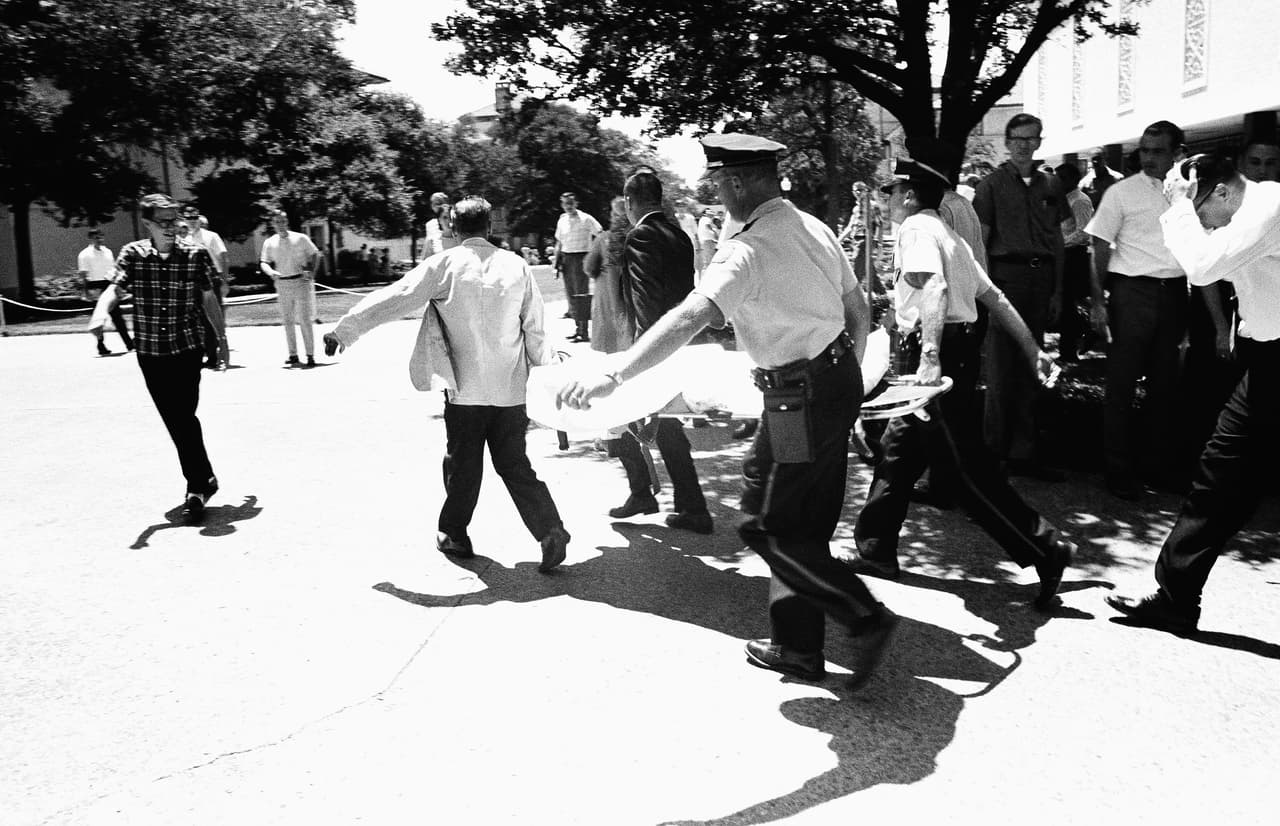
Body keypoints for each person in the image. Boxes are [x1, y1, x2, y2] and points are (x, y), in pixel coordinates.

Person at [557, 133, 896, 689]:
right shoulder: (813, 227)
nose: (716, 196)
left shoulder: (746, 247)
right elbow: (856, 309)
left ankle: (864, 616)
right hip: (829, 383)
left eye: (718, 184)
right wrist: (849, 382)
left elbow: (692, 315)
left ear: (738, 181)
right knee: (800, 519)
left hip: (798, 396)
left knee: (766, 522)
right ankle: (797, 646)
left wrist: (614, 372)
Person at [841, 158, 1074, 610]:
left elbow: (935, 289)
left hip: (935, 352)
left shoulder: (916, 230)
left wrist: (928, 356)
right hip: (952, 348)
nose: (887, 199)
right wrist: (1034, 351)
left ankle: (1046, 547)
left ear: (909, 195)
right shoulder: (949, 235)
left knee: (964, 469)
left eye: (891, 191)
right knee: (898, 451)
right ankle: (876, 548)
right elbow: (997, 298)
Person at [324, 196, 570, 573]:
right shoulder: (516, 266)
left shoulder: (443, 265)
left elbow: (396, 298)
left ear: (453, 229)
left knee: (464, 465)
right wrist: (552, 380)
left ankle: (454, 533)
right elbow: (535, 331)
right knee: (515, 464)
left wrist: (345, 330)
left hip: (464, 389)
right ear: (490, 228)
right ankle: (549, 528)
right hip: (510, 390)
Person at [1107, 152, 1280, 634]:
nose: (1199, 221)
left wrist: (1179, 207)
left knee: (1225, 474)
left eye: (1202, 208)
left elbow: (1202, 269)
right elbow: (1207, 262)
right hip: (1268, 361)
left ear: (1223, 191)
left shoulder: (1268, 209)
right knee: (1223, 476)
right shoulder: (1244, 210)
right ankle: (1175, 597)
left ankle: (1175, 595)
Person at [99, 193, 228, 523]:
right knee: (177, 419)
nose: (172, 227)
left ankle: (200, 483)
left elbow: (209, 298)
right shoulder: (133, 254)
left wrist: (222, 339)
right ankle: (201, 482)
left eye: (175, 220)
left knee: (184, 416)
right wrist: (99, 314)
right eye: (164, 222)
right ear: (148, 223)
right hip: (151, 352)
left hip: (187, 348)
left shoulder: (195, 254)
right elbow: (114, 288)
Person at [1084, 121, 1188, 499]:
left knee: (1165, 387)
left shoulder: (1191, 193)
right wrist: (1098, 302)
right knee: (1122, 386)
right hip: (1131, 293)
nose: (1148, 157)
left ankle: (1157, 468)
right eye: (1144, 149)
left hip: (1175, 294)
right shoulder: (1121, 193)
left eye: (1158, 150)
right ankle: (1117, 470)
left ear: (1177, 152)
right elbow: (1097, 246)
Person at [605, 172, 713, 534]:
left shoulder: (641, 235)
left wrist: (640, 353)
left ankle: (648, 494)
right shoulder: (679, 234)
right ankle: (685, 504)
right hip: (679, 341)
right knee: (664, 427)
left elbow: (644, 299)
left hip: (653, 344)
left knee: (617, 415)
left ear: (630, 201)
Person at [973, 113, 1068, 480]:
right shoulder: (990, 186)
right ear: (1007, 141)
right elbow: (981, 242)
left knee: (1034, 365)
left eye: (1032, 138)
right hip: (1005, 278)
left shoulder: (1051, 184)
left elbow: (1057, 239)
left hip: (1040, 278)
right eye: (1018, 138)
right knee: (1000, 369)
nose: (1024, 145)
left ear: (1040, 142)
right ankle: (993, 457)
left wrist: (1059, 289)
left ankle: (1024, 454)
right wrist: (986, 292)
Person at [260, 209, 320, 368]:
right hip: (282, 284)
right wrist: (270, 271)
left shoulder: (300, 238)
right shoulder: (270, 242)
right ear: (273, 224)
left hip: (300, 282)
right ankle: (293, 355)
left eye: (283, 221)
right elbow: (264, 262)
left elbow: (315, 253)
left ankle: (310, 355)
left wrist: (312, 272)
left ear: (287, 222)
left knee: (305, 320)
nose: (280, 225)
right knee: (287, 321)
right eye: (277, 222)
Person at [181, 207, 230, 369]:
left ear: (198, 219)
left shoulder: (211, 236)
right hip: (191, 282)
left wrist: (224, 281)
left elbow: (223, 257)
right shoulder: (183, 239)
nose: (192, 221)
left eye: (194, 217)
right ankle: (200, 353)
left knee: (211, 319)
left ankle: (213, 356)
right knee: (195, 320)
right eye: (189, 218)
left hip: (210, 280)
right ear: (185, 219)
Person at [1055, 162, 1095, 362]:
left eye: (1062, 178)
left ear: (1073, 179)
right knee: (1065, 303)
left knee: (1070, 304)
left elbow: (1083, 232)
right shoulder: (1062, 199)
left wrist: (1060, 245)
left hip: (1073, 256)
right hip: (1062, 255)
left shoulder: (1080, 200)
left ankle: (1071, 348)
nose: (1057, 182)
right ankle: (1069, 346)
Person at [584, 196, 633, 354]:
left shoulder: (603, 239)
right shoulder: (638, 238)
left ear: (614, 216)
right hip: (631, 296)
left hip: (608, 297)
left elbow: (590, 268)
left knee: (610, 345)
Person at [554, 192, 602, 342]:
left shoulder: (586, 219)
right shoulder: (562, 221)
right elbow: (559, 243)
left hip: (581, 257)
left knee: (581, 294)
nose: (568, 206)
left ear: (576, 203)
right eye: (565, 203)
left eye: (570, 203)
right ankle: (577, 328)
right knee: (571, 295)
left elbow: (600, 233)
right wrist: (555, 265)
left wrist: (595, 254)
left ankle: (584, 331)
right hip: (566, 258)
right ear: (562, 205)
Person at [79, 229, 134, 355]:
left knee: (117, 316)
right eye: (96, 237)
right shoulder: (84, 254)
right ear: (91, 238)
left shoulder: (108, 252)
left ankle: (129, 344)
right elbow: (83, 274)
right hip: (94, 285)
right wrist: (86, 291)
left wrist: (117, 286)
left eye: (101, 237)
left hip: (108, 284)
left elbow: (114, 269)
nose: (100, 239)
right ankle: (100, 344)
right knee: (99, 318)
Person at [424, 192, 459, 257]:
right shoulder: (429, 225)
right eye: (434, 204)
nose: (437, 206)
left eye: (440, 203)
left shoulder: (455, 221)